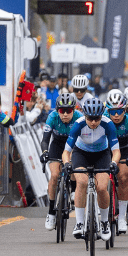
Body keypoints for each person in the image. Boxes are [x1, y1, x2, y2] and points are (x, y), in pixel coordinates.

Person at [62, 96, 120, 240]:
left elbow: (116, 151)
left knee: (101, 188)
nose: (93, 122)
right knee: (81, 182)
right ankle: (80, 223)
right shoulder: (78, 124)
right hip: (81, 153)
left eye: (97, 118)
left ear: (101, 116)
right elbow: (66, 152)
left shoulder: (108, 124)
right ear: (84, 115)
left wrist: (114, 163)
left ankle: (105, 222)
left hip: (102, 154)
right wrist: (67, 164)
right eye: (90, 119)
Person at [40, 93, 84, 231]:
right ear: (57, 110)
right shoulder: (52, 117)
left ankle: (73, 188)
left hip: (74, 146)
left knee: (71, 166)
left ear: (74, 110)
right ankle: (51, 212)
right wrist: (45, 152)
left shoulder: (79, 118)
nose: (65, 114)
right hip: (57, 145)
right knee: (54, 176)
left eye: (68, 111)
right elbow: (45, 139)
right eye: (62, 111)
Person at [104, 89, 128, 233]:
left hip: (125, 149)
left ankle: (123, 216)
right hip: (107, 149)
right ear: (108, 111)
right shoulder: (103, 118)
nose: (116, 115)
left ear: (125, 109)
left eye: (119, 111)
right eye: (112, 112)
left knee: (124, 177)